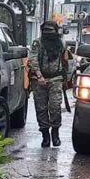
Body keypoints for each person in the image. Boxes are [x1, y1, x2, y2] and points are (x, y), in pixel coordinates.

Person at [29, 20, 72, 148]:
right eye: (45, 30)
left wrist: (66, 80)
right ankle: (45, 136)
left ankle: (55, 133)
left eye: (51, 30)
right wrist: (39, 76)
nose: (48, 33)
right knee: (41, 108)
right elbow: (33, 59)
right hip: (39, 80)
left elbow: (66, 62)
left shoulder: (61, 43)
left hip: (56, 79)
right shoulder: (37, 43)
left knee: (55, 107)